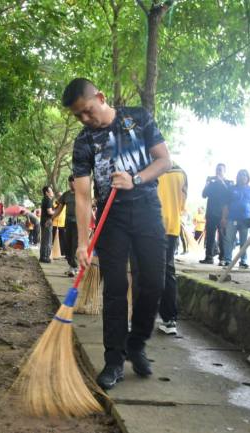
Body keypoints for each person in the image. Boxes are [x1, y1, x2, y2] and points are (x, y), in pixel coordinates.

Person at [62, 77, 171, 390]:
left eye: (88, 110)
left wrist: (136, 178)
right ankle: (113, 360)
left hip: (147, 209)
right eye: (78, 116)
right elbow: (83, 195)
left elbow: (164, 160)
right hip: (112, 218)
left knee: (154, 282)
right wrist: (83, 243)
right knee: (115, 287)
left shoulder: (137, 118)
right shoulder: (84, 142)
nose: (85, 118)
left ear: (100, 97)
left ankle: (136, 344)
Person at [156, 163, 187, 335]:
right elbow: (182, 205)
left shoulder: (151, 169)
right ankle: (169, 320)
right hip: (172, 227)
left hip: (151, 226)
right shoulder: (181, 173)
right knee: (168, 271)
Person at [221, 169, 250, 269]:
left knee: (244, 242)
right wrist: (223, 218)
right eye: (240, 175)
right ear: (237, 177)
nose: (243, 177)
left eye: (245, 175)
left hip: (246, 219)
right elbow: (226, 204)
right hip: (231, 218)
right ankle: (228, 260)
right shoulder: (231, 189)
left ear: (248, 178)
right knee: (229, 240)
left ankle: (243, 261)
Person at [200, 164, 233, 265]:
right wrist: (207, 183)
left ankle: (222, 258)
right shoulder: (212, 184)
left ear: (224, 171)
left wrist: (221, 182)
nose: (218, 171)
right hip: (211, 213)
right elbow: (204, 195)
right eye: (217, 170)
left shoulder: (229, 182)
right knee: (210, 236)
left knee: (222, 237)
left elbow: (229, 195)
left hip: (223, 214)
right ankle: (209, 257)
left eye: (220, 170)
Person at [51, 176, 77, 276]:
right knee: (67, 245)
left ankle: (74, 267)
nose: (71, 184)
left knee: (75, 245)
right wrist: (51, 218)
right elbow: (59, 208)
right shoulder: (66, 195)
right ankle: (71, 265)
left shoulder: (81, 193)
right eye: (70, 182)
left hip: (78, 223)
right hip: (68, 223)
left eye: (73, 181)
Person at [39, 185, 55, 263]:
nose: (52, 192)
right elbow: (49, 211)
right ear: (47, 193)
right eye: (51, 191)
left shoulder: (44, 199)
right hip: (47, 222)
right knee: (47, 240)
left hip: (43, 221)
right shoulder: (48, 200)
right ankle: (45, 257)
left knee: (44, 239)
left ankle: (43, 256)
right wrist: (56, 212)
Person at [52, 191, 67, 258]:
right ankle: (54, 252)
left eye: (61, 196)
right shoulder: (54, 204)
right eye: (59, 196)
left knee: (63, 239)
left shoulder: (65, 204)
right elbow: (53, 210)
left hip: (63, 224)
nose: (60, 197)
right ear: (56, 196)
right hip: (55, 224)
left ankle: (62, 252)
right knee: (54, 238)